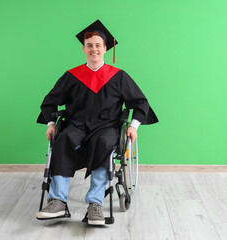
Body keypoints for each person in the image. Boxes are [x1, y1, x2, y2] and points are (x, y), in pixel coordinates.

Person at [36, 20, 158, 225]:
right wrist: (50, 124)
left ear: (105, 49)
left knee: (104, 144)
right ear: (84, 49)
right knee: (63, 139)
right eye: (90, 45)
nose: (94, 49)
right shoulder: (72, 76)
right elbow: (49, 102)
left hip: (107, 128)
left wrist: (133, 126)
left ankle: (95, 204)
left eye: (98, 45)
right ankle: (57, 201)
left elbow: (140, 103)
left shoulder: (118, 77)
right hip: (77, 126)